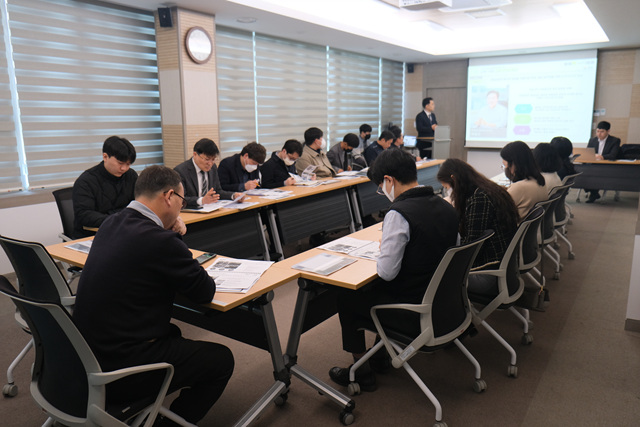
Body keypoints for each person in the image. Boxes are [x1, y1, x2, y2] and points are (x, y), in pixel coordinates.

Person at [73, 166, 234, 426]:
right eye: (181, 201)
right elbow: (204, 291)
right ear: (169, 196)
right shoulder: (161, 240)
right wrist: (175, 236)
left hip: (84, 356)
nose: (181, 209)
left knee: (174, 334)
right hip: (120, 369)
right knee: (221, 359)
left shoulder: (110, 223)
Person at [328, 149, 458, 392]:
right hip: (444, 302)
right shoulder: (446, 205)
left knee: (347, 297)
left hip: (413, 308)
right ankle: (380, 357)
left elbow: (387, 272)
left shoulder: (399, 213)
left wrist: (385, 250)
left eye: (381, 186)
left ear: (389, 180)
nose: (382, 192)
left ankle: (361, 372)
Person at [437, 158, 519, 295]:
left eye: (447, 188)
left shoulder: (479, 199)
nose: (449, 193)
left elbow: (470, 248)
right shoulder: (488, 189)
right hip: (504, 268)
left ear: (454, 180)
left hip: (489, 274)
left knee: (433, 277)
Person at [72, 135, 138, 239]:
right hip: (93, 236)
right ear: (105, 157)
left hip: (124, 231)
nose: (124, 168)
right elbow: (84, 215)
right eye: (120, 163)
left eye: (128, 164)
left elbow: (138, 204)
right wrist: (118, 218)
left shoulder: (131, 176)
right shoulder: (86, 181)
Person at [174, 138, 243, 209]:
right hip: (192, 211)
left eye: (213, 159)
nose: (210, 163)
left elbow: (217, 191)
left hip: (209, 209)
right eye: (207, 159)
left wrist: (233, 195)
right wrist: (202, 200)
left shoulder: (213, 168)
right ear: (195, 154)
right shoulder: (181, 171)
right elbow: (180, 199)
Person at [500, 140, 548, 220]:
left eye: (506, 166)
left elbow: (500, 211)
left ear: (514, 164)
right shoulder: (539, 180)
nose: (507, 169)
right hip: (530, 227)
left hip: (514, 226)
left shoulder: (519, 187)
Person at [585, 121, 622, 203]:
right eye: (597, 131)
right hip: (593, 165)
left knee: (595, 173)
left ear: (608, 131)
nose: (599, 134)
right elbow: (588, 153)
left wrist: (602, 157)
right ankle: (594, 193)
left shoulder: (615, 140)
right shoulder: (592, 140)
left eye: (602, 132)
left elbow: (613, 155)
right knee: (583, 172)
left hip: (606, 165)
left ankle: (593, 193)